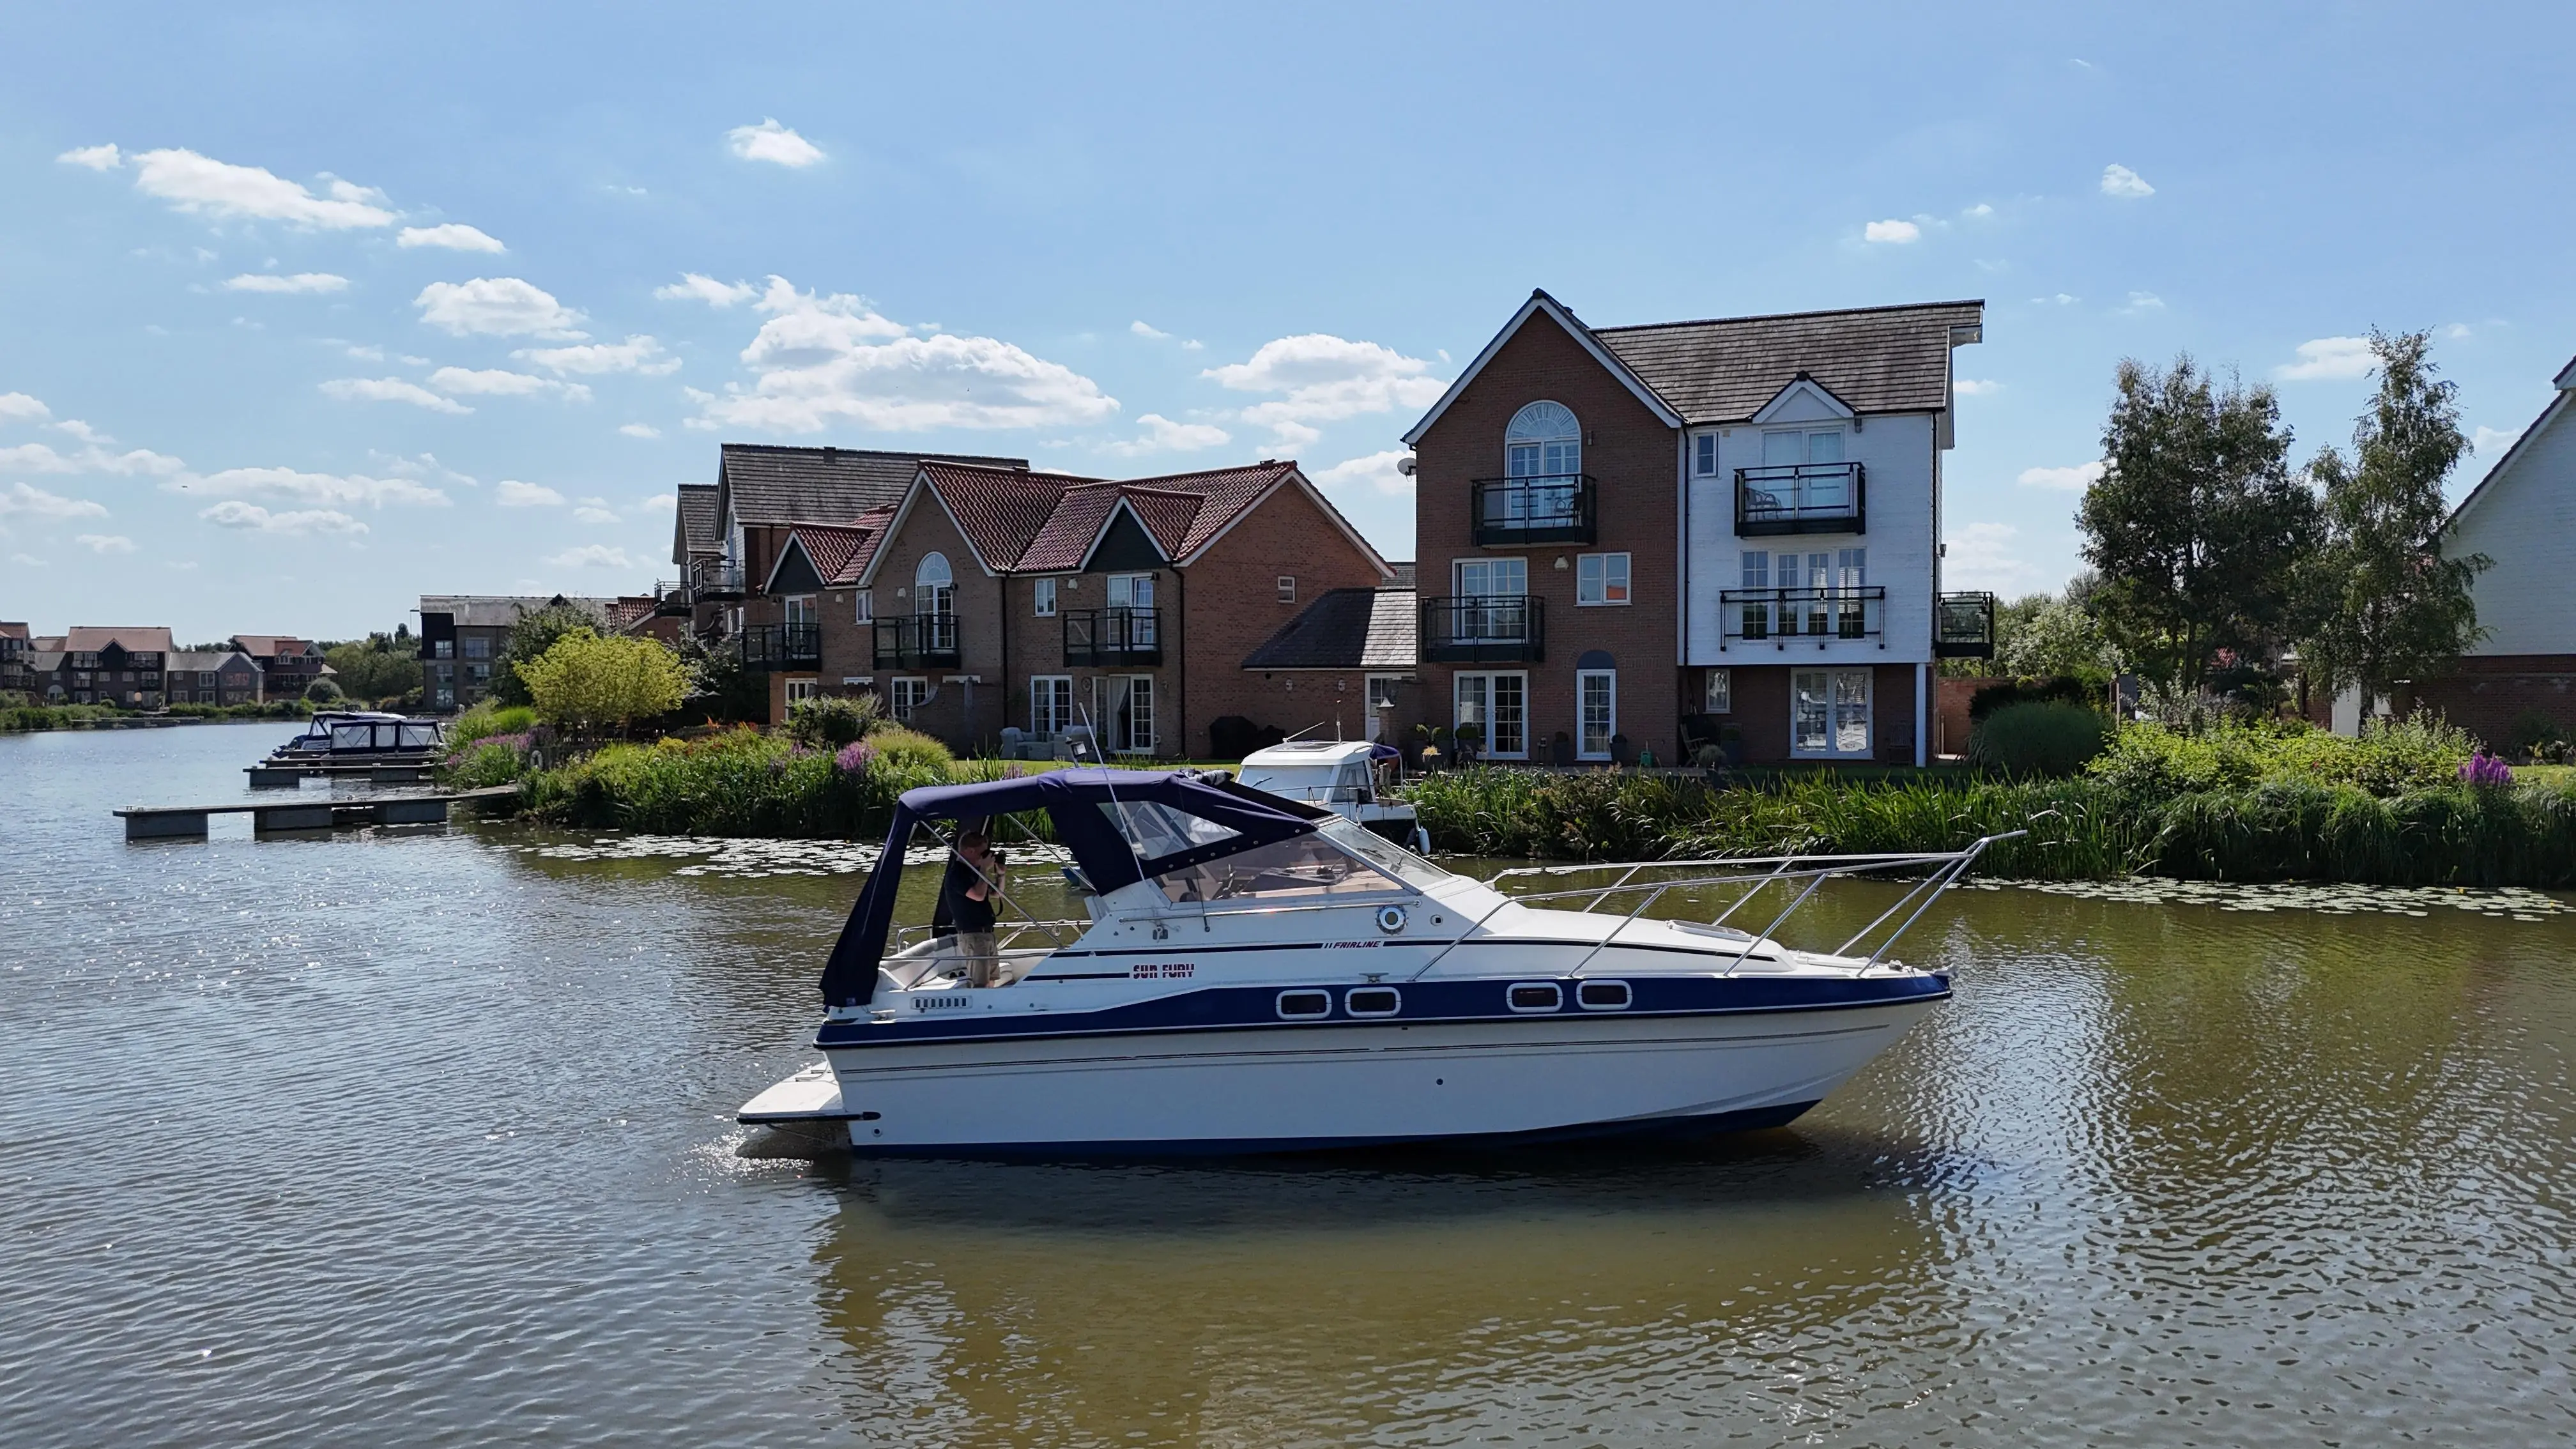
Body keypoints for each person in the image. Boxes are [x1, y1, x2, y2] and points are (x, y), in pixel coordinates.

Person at [937, 829, 1004, 987]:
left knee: (991, 978)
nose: (986, 857)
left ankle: (990, 1008)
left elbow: (997, 894)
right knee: (981, 982)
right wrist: (984, 869)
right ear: (970, 851)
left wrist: (1001, 875)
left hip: (986, 933)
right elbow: (978, 895)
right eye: (983, 852)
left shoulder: (974, 872)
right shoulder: (957, 874)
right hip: (973, 935)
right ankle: (982, 1007)